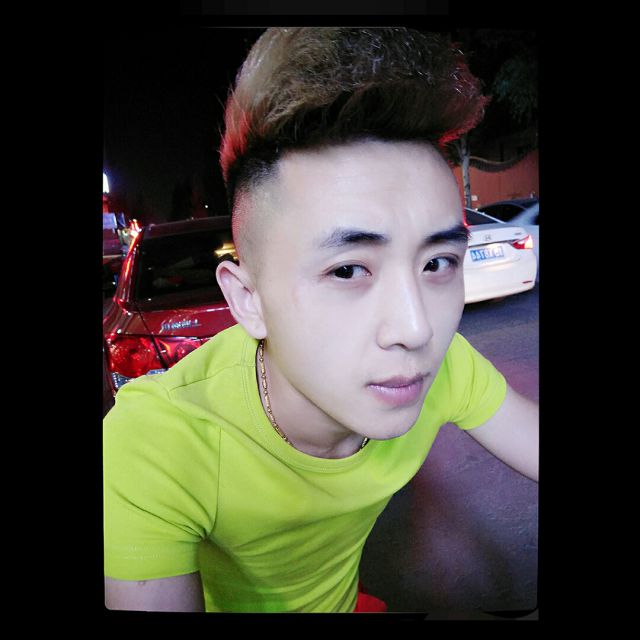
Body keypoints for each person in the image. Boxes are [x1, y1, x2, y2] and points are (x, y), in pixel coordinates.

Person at [103, 27, 539, 613]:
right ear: (248, 300)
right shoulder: (157, 446)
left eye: (437, 263)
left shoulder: (442, 369)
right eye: (348, 270)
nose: (417, 330)